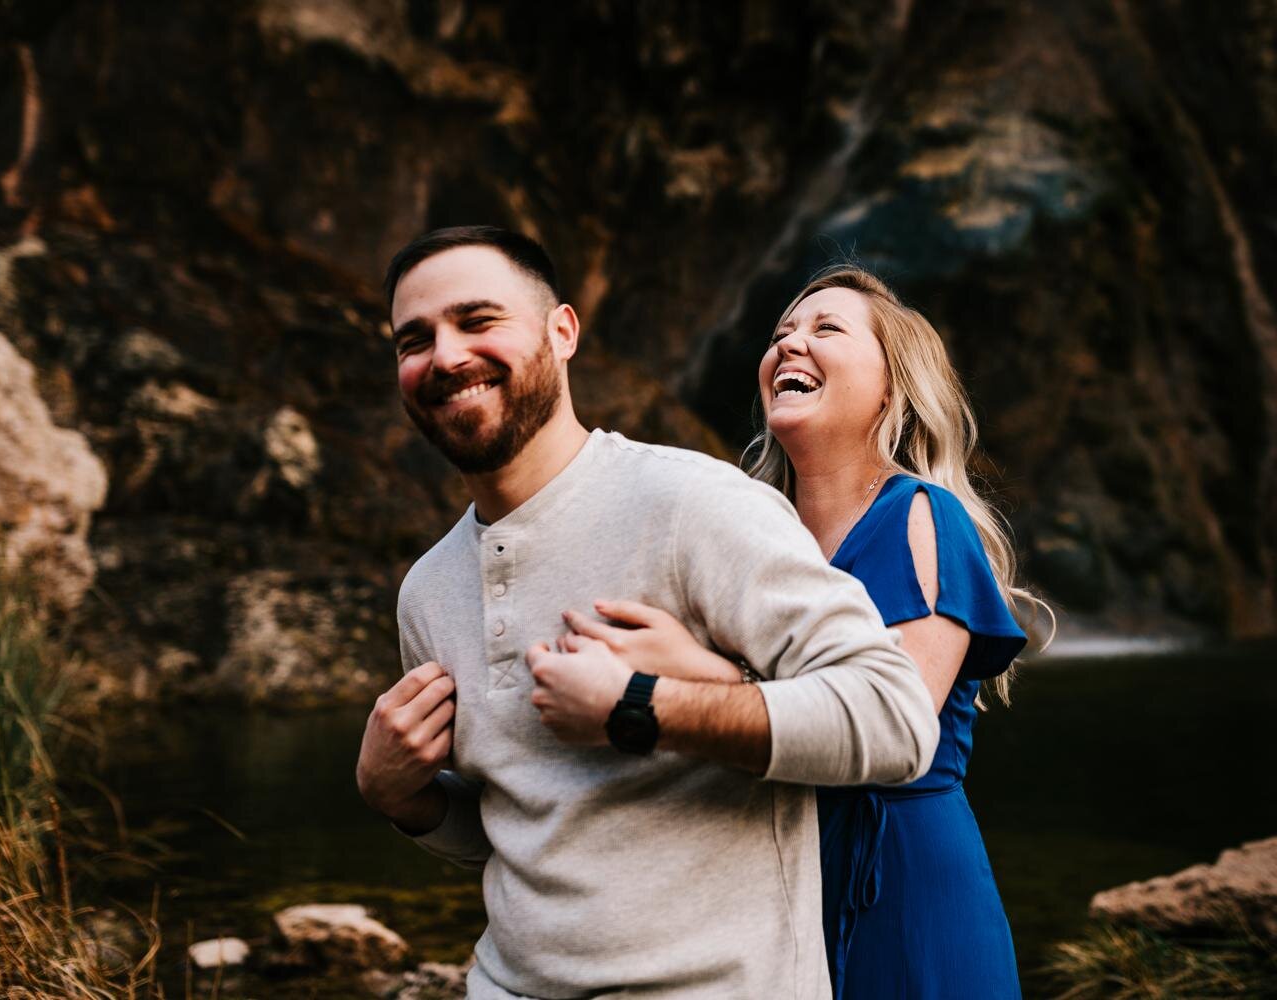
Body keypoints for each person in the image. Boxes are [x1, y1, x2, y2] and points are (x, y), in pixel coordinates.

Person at [354, 227, 940, 1000]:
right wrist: (406, 799)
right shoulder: (427, 592)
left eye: (477, 320)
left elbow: (897, 720)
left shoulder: (696, 505)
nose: (446, 355)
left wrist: (643, 708)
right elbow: (518, 831)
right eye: (414, 340)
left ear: (563, 332)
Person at [558, 266, 1052, 998]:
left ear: (892, 384)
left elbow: (896, 729)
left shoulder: (922, 516)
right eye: (781, 334)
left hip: (907, 886)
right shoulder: (748, 534)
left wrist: (697, 674)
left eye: (826, 330)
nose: (791, 345)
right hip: (773, 887)